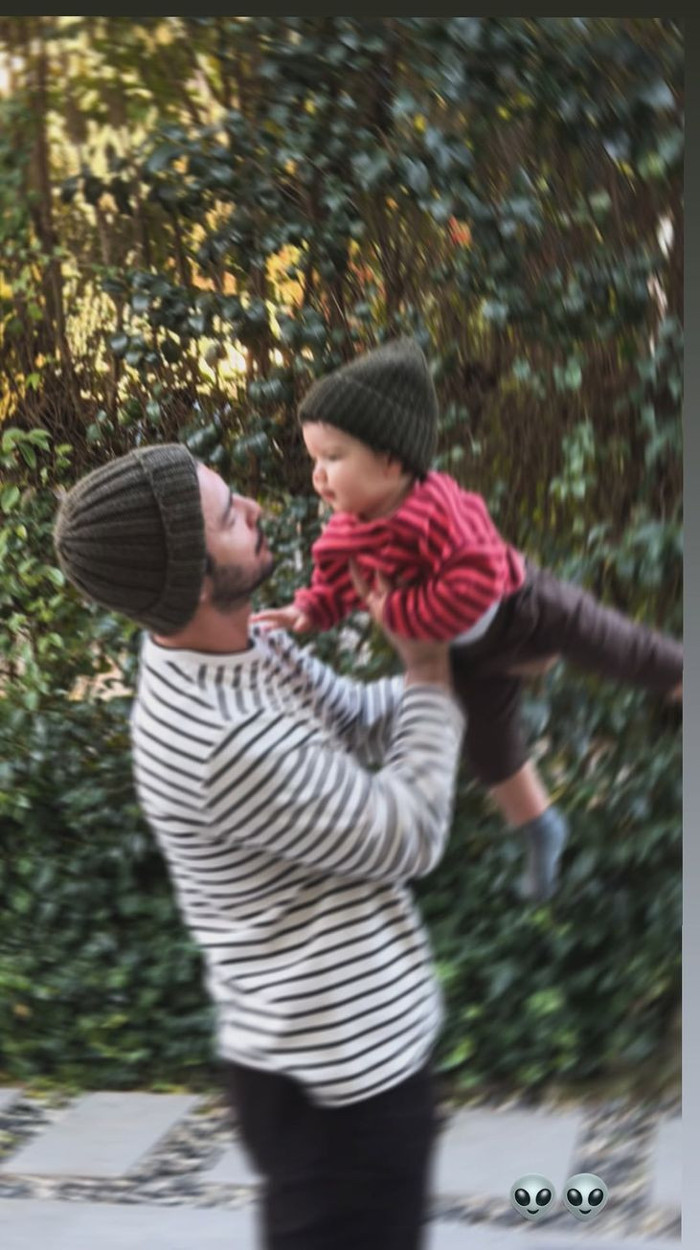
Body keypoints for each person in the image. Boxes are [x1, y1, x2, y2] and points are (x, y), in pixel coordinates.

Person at [53, 442, 466, 1250]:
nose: (257, 512)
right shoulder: (218, 739)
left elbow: (349, 713)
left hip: (353, 1052)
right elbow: (406, 832)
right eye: (228, 515)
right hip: (338, 1089)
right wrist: (428, 672)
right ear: (194, 581)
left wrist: (469, 665)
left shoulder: (235, 647)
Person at [252, 338, 683, 903]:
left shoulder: (441, 510)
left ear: (390, 460)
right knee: (489, 747)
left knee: (612, 642)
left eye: (332, 458)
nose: (319, 476)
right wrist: (308, 610)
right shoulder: (345, 530)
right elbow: (337, 582)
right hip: (469, 655)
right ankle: (539, 827)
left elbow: (476, 578)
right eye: (314, 460)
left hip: (523, 607)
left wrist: (400, 614)